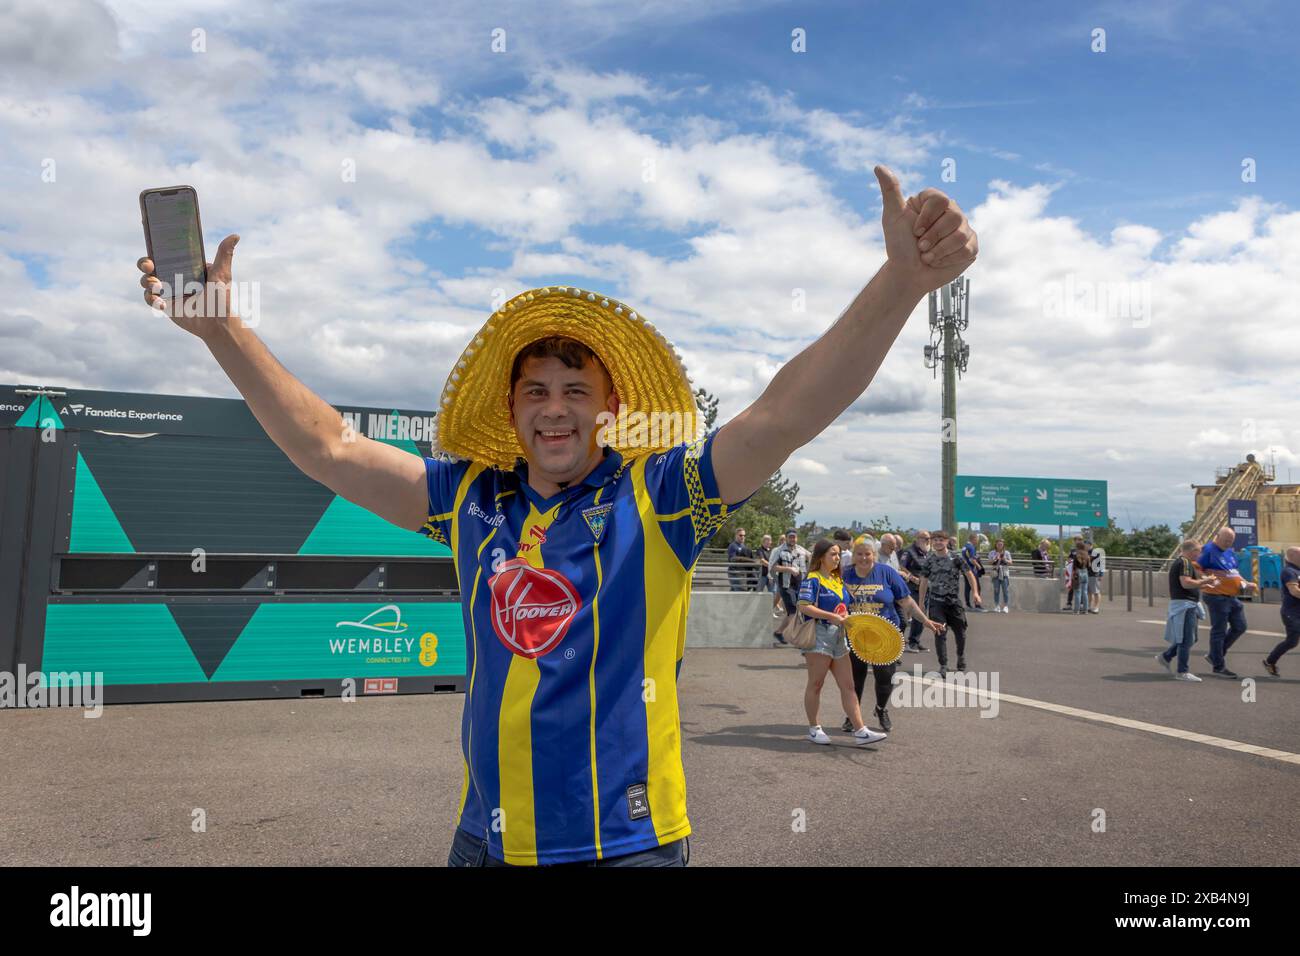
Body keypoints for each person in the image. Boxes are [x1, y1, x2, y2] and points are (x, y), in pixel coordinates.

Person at [134, 163, 976, 867]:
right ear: (511, 409)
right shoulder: (468, 499)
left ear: (609, 408)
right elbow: (333, 450)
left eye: (576, 390)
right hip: (485, 841)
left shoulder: (664, 494)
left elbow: (785, 413)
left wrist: (901, 283)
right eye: (536, 390)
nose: (555, 408)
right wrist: (220, 333)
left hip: (631, 845)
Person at [839, 538, 942, 733]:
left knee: (885, 677)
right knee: (855, 679)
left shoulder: (886, 573)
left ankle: (881, 709)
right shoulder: (845, 575)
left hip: (885, 635)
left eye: (867, 554)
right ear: (853, 556)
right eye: (859, 554)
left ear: (874, 555)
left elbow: (906, 602)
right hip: (855, 636)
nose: (863, 558)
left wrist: (926, 621)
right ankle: (853, 716)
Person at [797, 540, 888, 746]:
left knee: (848, 685)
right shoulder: (812, 579)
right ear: (821, 557)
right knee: (816, 684)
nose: (837, 558)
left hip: (839, 635)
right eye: (833, 554)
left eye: (838, 554)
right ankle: (814, 728)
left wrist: (844, 616)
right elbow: (804, 606)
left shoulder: (837, 580)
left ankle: (861, 730)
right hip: (819, 634)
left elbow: (842, 606)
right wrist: (831, 616)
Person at [917, 530, 981, 677]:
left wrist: (975, 593)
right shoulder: (929, 560)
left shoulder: (956, 558)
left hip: (953, 602)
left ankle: (960, 656)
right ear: (932, 542)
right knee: (940, 633)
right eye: (935, 540)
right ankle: (943, 664)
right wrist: (921, 604)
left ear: (947, 542)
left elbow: (969, 575)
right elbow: (924, 582)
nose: (938, 542)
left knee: (961, 633)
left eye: (941, 540)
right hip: (936, 603)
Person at [1198, 527, 1259, 679]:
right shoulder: (1207, 550)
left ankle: (1214, 655)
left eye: (1230, 541)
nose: (1227, 543)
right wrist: (1207, 575)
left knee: (1240, 626)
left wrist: (1246, 583)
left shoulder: (1230, 552)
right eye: (1225, 540)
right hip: (1216, 595)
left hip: (1231, 596)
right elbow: (1195, 568)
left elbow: (1234, 573)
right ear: (1217, 536)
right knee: (1219, 630)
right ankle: (1218, 666)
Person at [1157, 539, 1218, 682]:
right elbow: (1186, 583)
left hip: (1187, 604)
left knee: (1191, 637)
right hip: (1185, 605)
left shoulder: (1184, 562)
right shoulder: (1184, 562)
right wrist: (1205, 581)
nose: (1200, 554)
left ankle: (1166, 657)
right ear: (1192, 551)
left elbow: (1188, 583)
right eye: (1199, 551)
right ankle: (1182, 671)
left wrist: (1203, 584)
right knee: (1186, 638)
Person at [1263, 546, 1300, 676]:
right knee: (1292, 641)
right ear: (1293, 557)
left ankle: (1269, 661)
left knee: (1292, 641)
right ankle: (1270, 661)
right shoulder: (1289, 571)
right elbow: (1294, 591)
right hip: (1292, 614)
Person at [769, 529, 806, 645]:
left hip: (799, 585)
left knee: (793, 612)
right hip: (786, 585)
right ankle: (799, 638)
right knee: (795, 612)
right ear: (786, 538)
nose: (792, 539)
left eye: (794, 537)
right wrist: (788, 569)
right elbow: (773, 567)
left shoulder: (800, 549)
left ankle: (779, 632)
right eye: (790, 537)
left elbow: (812, 558)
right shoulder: (779, 550)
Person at [898, 531, 931, 652]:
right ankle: (909, 643)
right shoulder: (909, 551)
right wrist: (913, 578)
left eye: (929, 538)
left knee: (922, 614)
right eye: (925, 538)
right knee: (916, 614)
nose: (928, 541)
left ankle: (915, 640)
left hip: (926, 587)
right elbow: (902, 567)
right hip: (913, 586)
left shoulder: (927, 553)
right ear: (917, 539)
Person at [987, 538, 1012, 613]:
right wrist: (995, 559)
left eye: (1001, 544)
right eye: (998, 544)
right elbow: (989, 562)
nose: (999, 545)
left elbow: (1011, 562)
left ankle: (1005, 606)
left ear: (1003, 545)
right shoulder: (992, 553)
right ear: (996, 544)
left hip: (1004, 573)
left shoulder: (1006, 553)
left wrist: (1005, 559)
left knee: (1005, 590)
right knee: (996, 590)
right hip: (995, 573)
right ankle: (997, 606)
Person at [962, 533, 986, 611]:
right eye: (977, 539)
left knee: (968, 587)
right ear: (974, 539)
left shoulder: (965, 547)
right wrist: (979, 567)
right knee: (977, 587)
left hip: (965, 569)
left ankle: (968, 605)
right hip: (971, 570)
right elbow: (972, 559)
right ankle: (977, 605)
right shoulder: (971, 547)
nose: (977, 541)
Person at [1070, 543, 1090, 614]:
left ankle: (1076, 610)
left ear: (1078, 548)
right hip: (1085, 573)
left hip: (1078, 573)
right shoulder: (1087, 556)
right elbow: (1088, 566)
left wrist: (1072, 575)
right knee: (1085, 593)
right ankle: (1086, 610)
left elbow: (1074, 567)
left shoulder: (1076, 556)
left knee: (1077, 592)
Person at [1087, 539, 1105, 614]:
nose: (1086, 546)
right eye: (1085, 545)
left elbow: (1101, 563)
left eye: (1088, 545)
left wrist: (1101, 574)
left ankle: (1096, 607)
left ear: (1091, 545)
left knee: (1096, 592)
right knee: (1088, 592)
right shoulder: (1085, 552)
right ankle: (1088, 606)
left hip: (1094, 574)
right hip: (1086, 574)